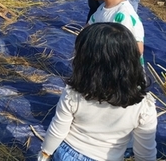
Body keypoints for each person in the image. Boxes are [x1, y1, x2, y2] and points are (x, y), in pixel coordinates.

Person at [38, 23, 157, 161]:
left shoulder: (74, 94)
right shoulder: (144, 105)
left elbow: (58, 130)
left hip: (67, 153)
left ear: (87, 62)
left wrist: (45, 154)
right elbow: (145, 152)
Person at [84, 0, 144, 64]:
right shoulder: (102, 8)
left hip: (122, 75)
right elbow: (87, 29)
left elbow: (137, 49)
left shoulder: (123, 14)